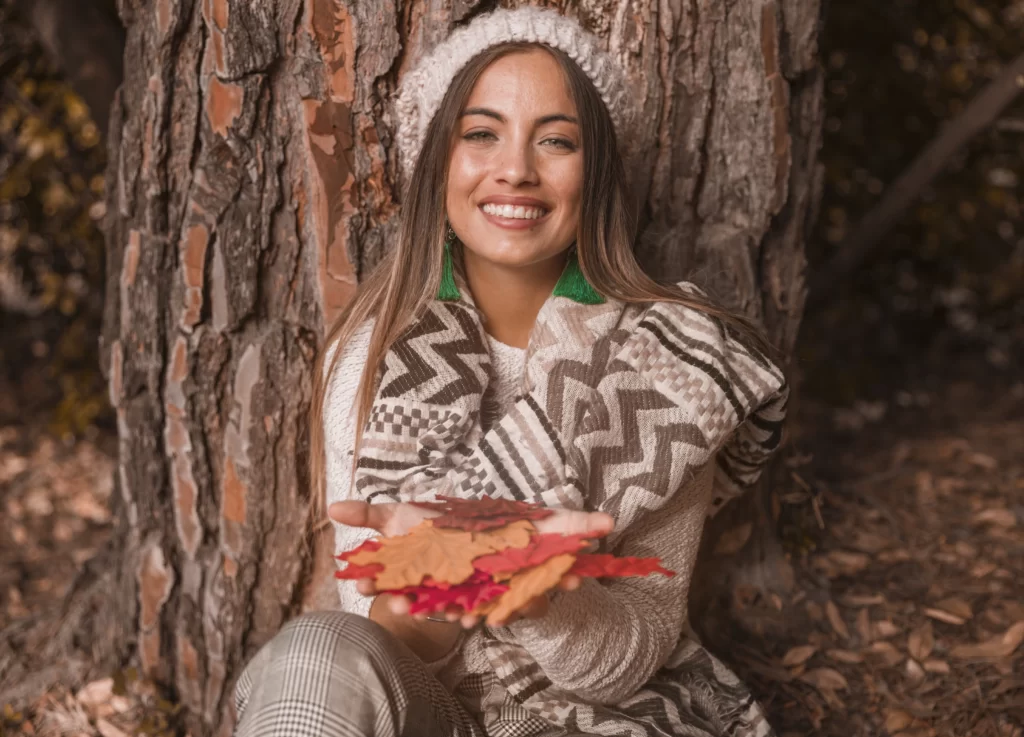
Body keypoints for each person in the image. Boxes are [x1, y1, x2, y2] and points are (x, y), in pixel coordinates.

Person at [234, 7, 787, 737]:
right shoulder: (368, 360)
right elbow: (386, 646)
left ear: (597, 173)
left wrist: (540, 595)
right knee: (315, 651)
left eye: (556, 140)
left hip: (601, 719)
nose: (516, 169)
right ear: (440, 162)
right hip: (431, 712)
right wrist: (422, 581)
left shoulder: (669, 362)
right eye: (481, 133)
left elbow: (641, 641)